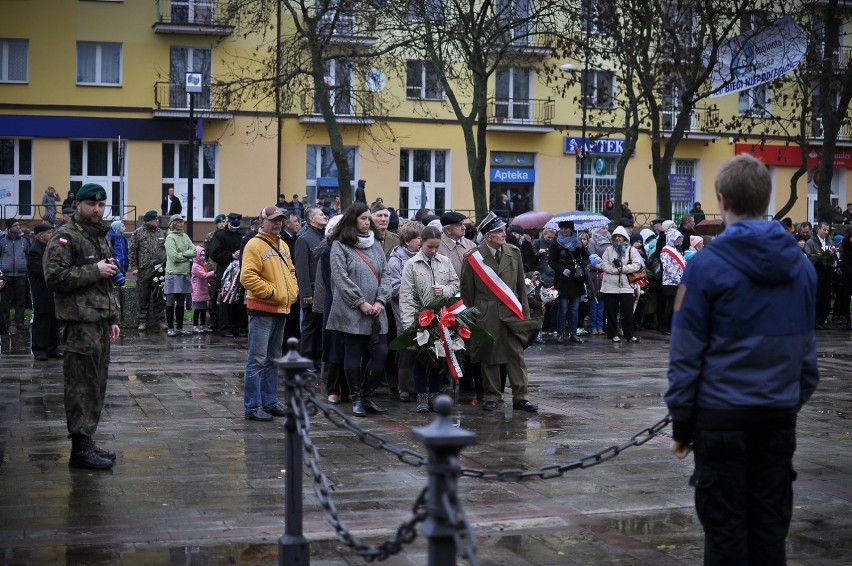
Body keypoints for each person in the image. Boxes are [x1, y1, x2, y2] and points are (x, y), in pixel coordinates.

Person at [666, 154, 819, 564]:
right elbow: (807, 359)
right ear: (766, 199)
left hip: (721, 418)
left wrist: (682, 422)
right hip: (776, 417)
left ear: (721, 200)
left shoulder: (706, 266)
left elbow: (685, 355)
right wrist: (785, 401)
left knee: (725, 534)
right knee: (770, 533)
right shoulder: (802, 267)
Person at [43, 183, 121, 470]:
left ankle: (87, 440)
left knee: (97, 385)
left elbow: (107, 281)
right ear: (78, 206)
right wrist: (94, 270)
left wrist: (113, 318)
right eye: (92, 205)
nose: (97, 210)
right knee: (80, 386)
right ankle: (79, 448)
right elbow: (54, 277)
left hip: (99, 321)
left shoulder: (100, 236)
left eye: (101, 205)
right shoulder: (66, 237)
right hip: (79, 325)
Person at [460, 212, 538, 413]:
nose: (505, 234)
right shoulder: (473, 258)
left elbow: (521, 288)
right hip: (487, 314)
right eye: (499, 231)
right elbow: (467, 291)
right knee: (490, 357)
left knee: (516, 356)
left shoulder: (514, 252)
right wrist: (473, 317)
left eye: (504, 230)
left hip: (512, 313)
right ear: (488, 236)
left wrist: (525, 316)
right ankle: (492, 396)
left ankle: (521, 398)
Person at [326, 202, 393, 417]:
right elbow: (340, 279)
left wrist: (381, 301)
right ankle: (356, 400)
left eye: (368, 218)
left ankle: (367, 396)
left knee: (380, 353)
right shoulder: (340, 245)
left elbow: (386, 275)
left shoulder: (375, 244)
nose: (367, 222)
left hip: (376, 312)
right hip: (352, 311)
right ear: (352, 219)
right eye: (363, 218)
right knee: (353, 353)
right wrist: (360, 302)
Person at [239, 206, 299, 421]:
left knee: (273, 360)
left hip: (281, 309)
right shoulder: (254, 244)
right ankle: (253, 406)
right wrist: (273, 293)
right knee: (257, 360)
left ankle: (270, 402)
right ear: (261, 221)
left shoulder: (282, 244)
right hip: (263, 310)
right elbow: (247, 277)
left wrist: (291, 293)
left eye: (280, 220)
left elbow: (291, 271)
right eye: (273, 220)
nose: (277, 224)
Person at [400, 226, 460, 412]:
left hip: (441, 318)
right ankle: (421, 397)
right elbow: (406, 295)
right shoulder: (411, 264)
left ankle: (434, 395)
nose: (433, 251)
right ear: (421, 243)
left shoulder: (445, 261)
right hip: (420, 318)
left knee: (437, 358)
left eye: (436, 247)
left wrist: (445, 290)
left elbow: (455, 284)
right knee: (420, 360)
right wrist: (409, 324)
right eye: (429, 247)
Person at [387, 221, 424, 403]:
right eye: (418, 238)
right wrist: (415, 286)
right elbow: (393, 289)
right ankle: (404, 388)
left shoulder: (425, 256)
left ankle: (420, 385)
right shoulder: (395, 261)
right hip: (404, 311)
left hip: (425, 310)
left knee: (423, 346)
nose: (421, 241)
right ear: (407, 240)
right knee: (407, 347)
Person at [294, 206, 328, 369]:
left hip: (323, 290)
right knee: (309, 327)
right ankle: (306, 360)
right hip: (311, 291)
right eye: (321, 214)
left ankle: (319, 360)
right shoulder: (304, 239)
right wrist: (306, 292)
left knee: (321, 327)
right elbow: (302, 268)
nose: (325, 216)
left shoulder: (326, 236)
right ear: (311, 219)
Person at [600, 226, 642, 343]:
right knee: (611, 311)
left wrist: (623, 268)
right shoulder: (609, 250)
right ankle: (613, 334)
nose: (618, 238)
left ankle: (629, 334)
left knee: (628, 311)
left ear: (625, 238)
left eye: (620, 236)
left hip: (626, 285)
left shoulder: (631, 250)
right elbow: (604, 264)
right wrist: (615, 270)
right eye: (616, 236)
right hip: (610, 286)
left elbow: (636, 265)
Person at [548, 220, 588, 344]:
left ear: (571, 229)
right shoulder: (556, 243)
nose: (564, 230)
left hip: (576, 279)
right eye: (562, 228)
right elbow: (551, 261)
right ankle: (561, 333)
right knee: (563, 308)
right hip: (562, 280)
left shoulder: (577, 241)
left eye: (566, 228)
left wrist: (581, 248)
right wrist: (561, 269)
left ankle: (573, 333)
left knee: (574, 309)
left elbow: (585, 258)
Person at [129, 210, 167, 332]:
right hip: (143, 270)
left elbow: (167, 250)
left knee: (159, 296)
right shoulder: (138, 233)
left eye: (157, 219)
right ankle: (142, 321)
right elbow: (132, 251)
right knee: (143, 296)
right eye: (155, 219)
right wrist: (134, 267)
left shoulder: (162, 233)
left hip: (159, 270)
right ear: (148, 220)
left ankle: (160, 320)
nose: (157, 221)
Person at [27, 223, 61, 360]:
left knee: (54, 320)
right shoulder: (35, 250)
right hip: (42, 290)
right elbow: (42, 271)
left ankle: (52, 348)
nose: (52, 235)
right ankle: (39, 349)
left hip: (54, 290)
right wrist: (58, 271)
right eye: (49, 233)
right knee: (42, 320)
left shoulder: (51, 247)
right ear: (40, 236)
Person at [210, 213, 246, 337]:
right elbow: (214, 254)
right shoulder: (220, 235)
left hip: (240, 272)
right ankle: (224, 327)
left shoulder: (242, 234)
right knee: (225, 301)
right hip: (226, 273)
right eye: (233, 224)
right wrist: (231, 255)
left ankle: (235, 326)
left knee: (238, 300)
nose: (235, 227)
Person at [163, 214, 196, 337]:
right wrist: (186, 257)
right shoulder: (170, 238)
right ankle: (171, 327)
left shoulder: (185, 236)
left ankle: (180, 327)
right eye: (178, 222)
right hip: (173, 273)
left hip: (184, 273)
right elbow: (174, 257)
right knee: (171, 300)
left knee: (181, 301)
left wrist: (183, 254)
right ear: (172, 223)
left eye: (182, 221)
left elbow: (194, 252)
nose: (182, 223)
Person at [803, 221, 836, 329]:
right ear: (818, 230)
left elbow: (834, 254)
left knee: (826, 296)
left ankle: (823, 319)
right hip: (816, 272)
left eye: (827, 230)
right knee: (818, 296)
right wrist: (819, 258)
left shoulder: (830, 241)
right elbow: (808, 256)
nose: (826, 232)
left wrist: (831, 256)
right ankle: (815, 320)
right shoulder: (811, 242)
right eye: (824, 230)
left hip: (827, 272)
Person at [0, 218, 30, 331]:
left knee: (20, 301)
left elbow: (28, 255)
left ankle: (20, 323)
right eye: (15, 225)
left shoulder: (25, 240)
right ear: (9, 228)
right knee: (5, 302)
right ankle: (6, 324)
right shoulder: (2, 240)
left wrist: (25, 267)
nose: (18, 227)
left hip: (21, 275)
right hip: (6, 275)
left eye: (18, 225)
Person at [658, 227, 685, 335]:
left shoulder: (678, 250)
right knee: (670, 306)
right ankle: (665, 326)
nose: (679, 240)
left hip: (679, 281)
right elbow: (667, 267)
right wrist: (678, 279)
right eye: (677, 238)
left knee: (677, 306)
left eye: (679, 238)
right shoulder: (666, 250)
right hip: (670, 282)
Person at [437, 211, 476, 277]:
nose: (464, 228)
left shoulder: (471, 245)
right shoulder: (437, 247)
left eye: (463, 224)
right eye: (459, 225)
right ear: (448, 230)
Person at [190, 246, 215, 333]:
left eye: (204, 255)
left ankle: (203, 325)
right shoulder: (196, 266)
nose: (203, 257)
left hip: (203, 290)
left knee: (204, 309)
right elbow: (204, 275)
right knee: (197, 310)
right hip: (198, 291)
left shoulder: (202, 265)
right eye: (201, 255)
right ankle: (195, 325)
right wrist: (214, 272)